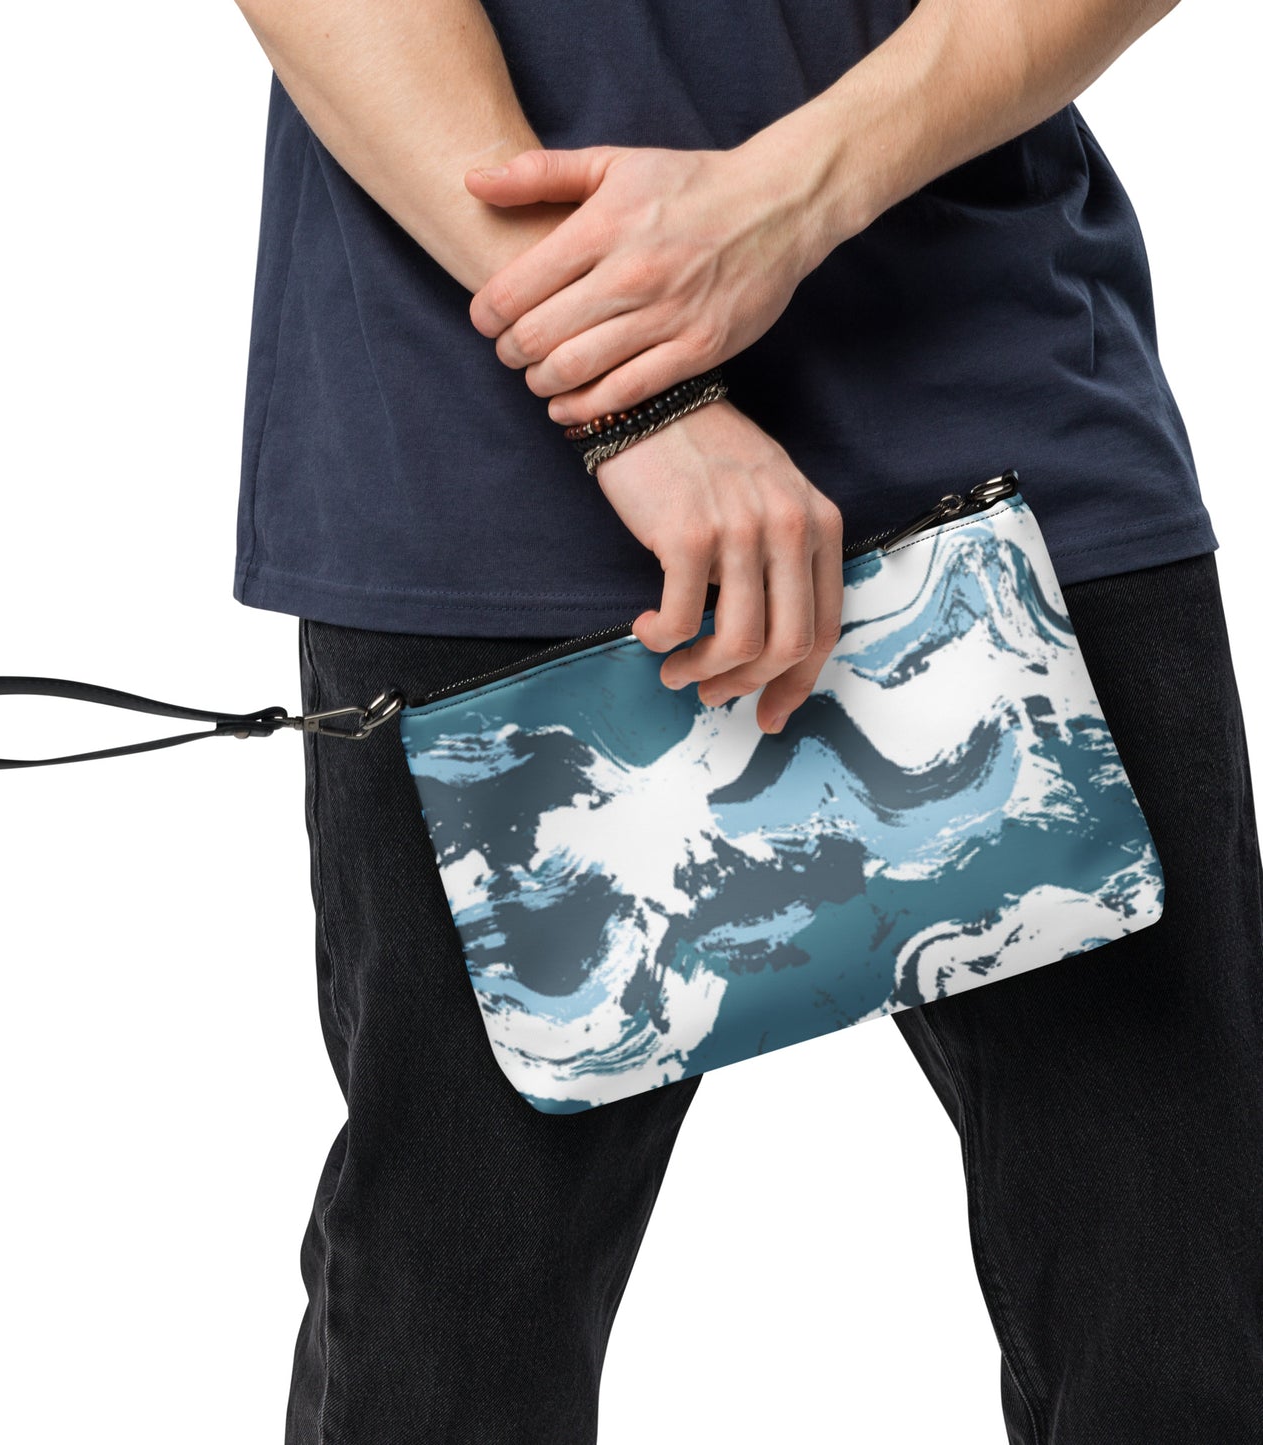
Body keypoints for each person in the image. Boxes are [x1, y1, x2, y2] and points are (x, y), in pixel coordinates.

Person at [228, 0, 1263, 1439]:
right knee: (455, 1321)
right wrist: (629, 400)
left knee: (1186, 1304)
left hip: (984, 382)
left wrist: (784, 199)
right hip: (481, 406)